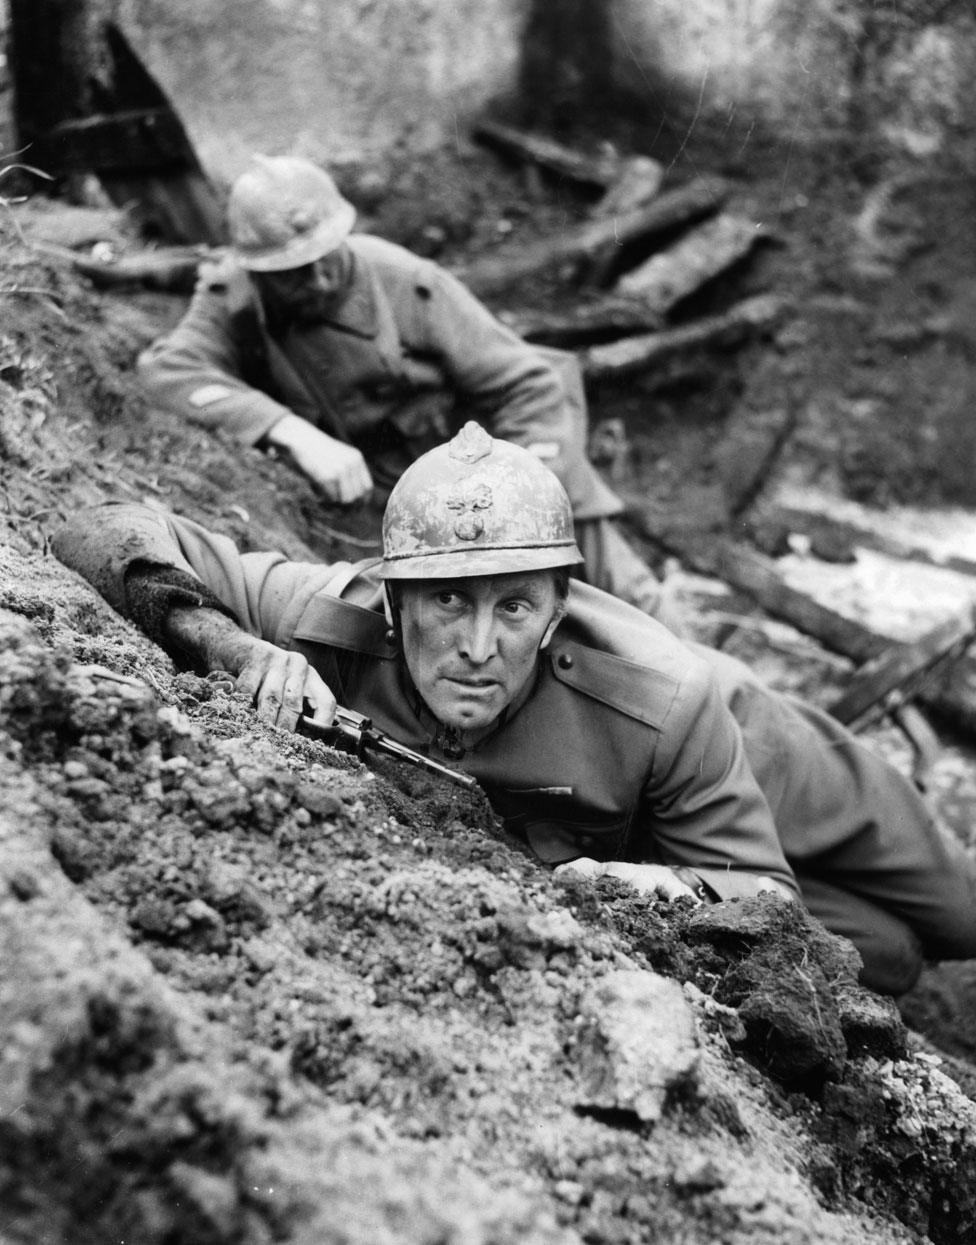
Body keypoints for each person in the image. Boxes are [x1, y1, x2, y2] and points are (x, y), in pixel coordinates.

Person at [52, 422, 976, 996]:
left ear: (558, 610)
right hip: (643, 822)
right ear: (394, 597)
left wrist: (667, 888)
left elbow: (760, 887)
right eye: (449, 601)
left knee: (961, 916)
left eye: (516, 606)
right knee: (884, 962)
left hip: (758, 756)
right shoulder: (326, 616)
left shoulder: (667, 696)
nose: (480, 644)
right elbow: (96, 528)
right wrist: (233, 644)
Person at [137, 153, 676, 624]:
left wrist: (515, 496)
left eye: (329, 258)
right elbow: (168, 372)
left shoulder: (406, 281)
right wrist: (290, 431)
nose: (320, 281)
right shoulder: (235, 298)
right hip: (402, 505)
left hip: (505, 467)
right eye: (294, 272)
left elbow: (529, 384)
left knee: (631, 607)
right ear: (255, 268)